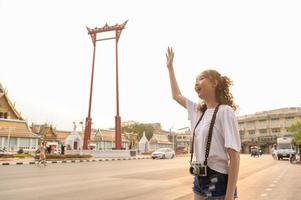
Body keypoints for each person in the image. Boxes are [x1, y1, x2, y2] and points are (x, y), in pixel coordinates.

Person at [165, 47, 241, 200]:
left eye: (200, 79)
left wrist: (229, 196)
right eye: (195, 81)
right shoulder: (198, 111)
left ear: (214, 83)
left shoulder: (225, 112)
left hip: (216, 178)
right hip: (199, 176)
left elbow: (235, 157)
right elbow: (176, 95)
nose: (196, 84)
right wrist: (170, 68)